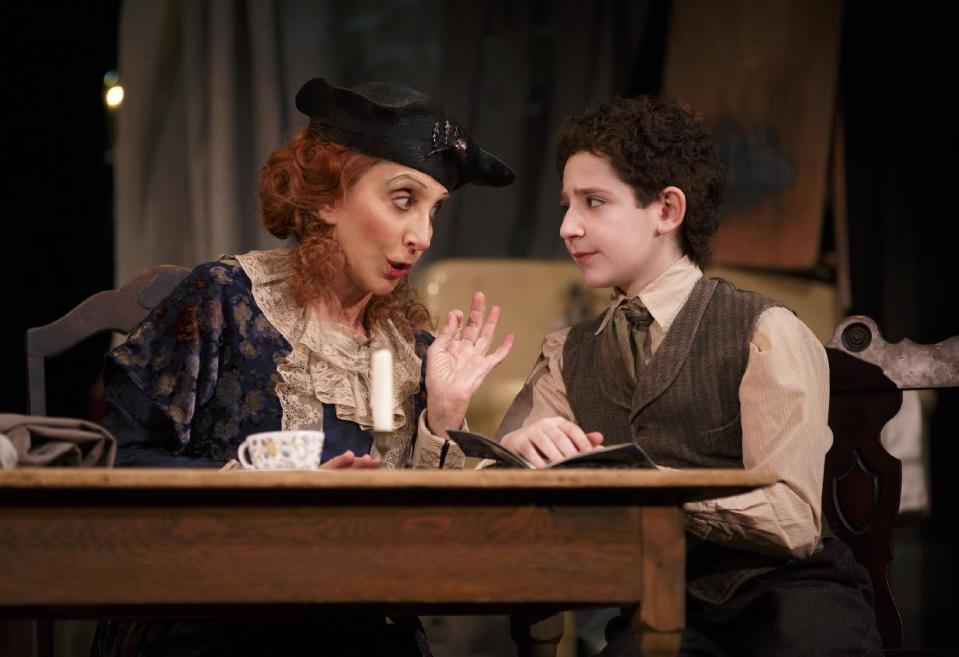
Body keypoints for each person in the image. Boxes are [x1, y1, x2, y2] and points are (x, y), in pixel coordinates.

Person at [91, 77, 515, 657]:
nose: (422, 236)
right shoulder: (227, 301)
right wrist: (275, 495)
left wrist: (441, 421)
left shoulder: (407, 349)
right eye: (402, 200)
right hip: (220, 617)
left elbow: (420, 551)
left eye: (434, 210)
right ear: (327, 196)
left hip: (360, 623)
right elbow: (115, 457)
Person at [494, 95, 883, 657]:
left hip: (789, 598)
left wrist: (650, 493)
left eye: (594, 202)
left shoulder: (765, 331)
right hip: (660, 605)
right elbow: (494, 481)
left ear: (667, 211)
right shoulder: (569, 353)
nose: (567, 227)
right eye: (565, 204)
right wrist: (516, 447)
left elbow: (792, 518)